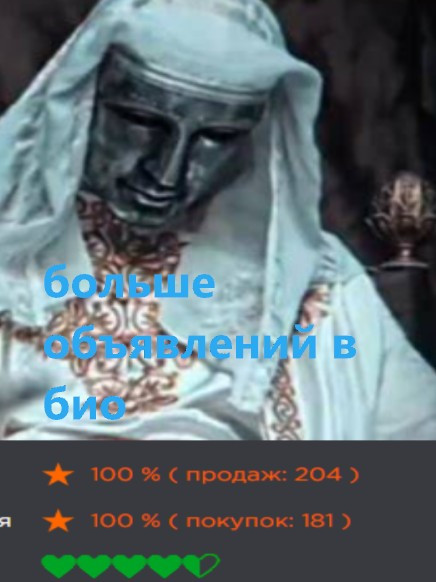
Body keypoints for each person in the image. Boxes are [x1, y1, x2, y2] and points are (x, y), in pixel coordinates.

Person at [0, 0, 435, 440]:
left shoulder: (314, 282)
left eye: (216, 137)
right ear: (81, 103)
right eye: (142, 121)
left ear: (253, 141)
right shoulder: (12, 264)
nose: (167, 172)